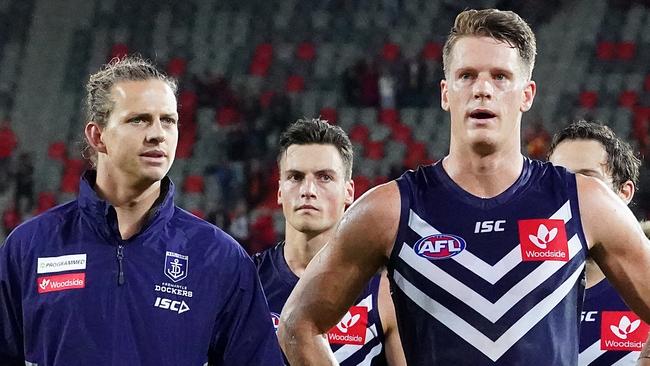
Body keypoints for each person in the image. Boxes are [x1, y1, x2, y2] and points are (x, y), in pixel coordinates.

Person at [278, 9, 650, 365]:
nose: (482, 89)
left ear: (527, 94)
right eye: (467, 75)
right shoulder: (388, 210)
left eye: (501, 77)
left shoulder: (584, 202)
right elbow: (297, 324)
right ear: (445, 92)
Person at [0, 56, 282, 365]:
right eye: (139, 120)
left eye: (169, 120)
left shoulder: (219, 257)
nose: (158, 133)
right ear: (98, 136)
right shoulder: (29, 247)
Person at [255, 118, 405, 365]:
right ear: (280, 190)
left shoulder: (384, 291)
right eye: (295, 177)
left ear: (349, 191)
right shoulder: (248, 280)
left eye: (324, 177)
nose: (308, 190)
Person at [548, 121, 646, 365]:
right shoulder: (521, 289)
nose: (570, 193)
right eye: (559, 180)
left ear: (625, 192)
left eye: (588, 181)